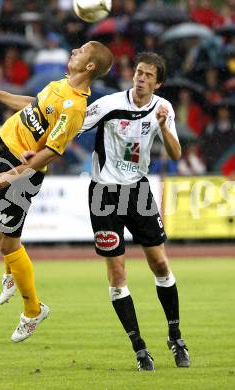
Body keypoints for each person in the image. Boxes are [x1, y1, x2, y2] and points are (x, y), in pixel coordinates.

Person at [0, 41, 114, 343]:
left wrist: (11, 176)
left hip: (21, 173)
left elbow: (50, 153)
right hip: (6, 149)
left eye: (81, 51)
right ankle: (11, 272)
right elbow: (32, 105)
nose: (74, 51)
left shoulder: (75, 107)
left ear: (89, 66)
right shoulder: (59, 85)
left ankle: (33, 310)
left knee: (9, 244)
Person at [78, 52, 190, 371]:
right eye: (138, 72)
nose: (140, 78)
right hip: (104, 194)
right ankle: (139, 348)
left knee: (160, 262)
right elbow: (72, 126)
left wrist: (164, 127)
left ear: (158, 83)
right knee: (117, 274)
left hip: (139, 192)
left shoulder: (162, 109)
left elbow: (176, 152)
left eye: (147, 76)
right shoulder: (109, 105)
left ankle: (176, 336)